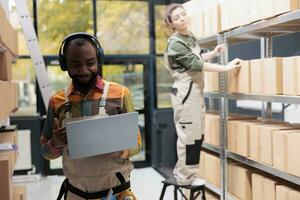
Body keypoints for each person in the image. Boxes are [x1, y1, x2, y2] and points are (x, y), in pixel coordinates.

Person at [40, 32, 141, 200]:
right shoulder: (56, 102)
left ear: (98, 59)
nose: (84, 70)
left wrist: (118, 150)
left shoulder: (121, 94)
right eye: (75, 64)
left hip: (116, 193)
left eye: (90, 63)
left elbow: (137, 145)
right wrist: (55, 144)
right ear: (65, 64)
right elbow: (46, 153)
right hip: (76, 194)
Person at [164, 4, 241, 186]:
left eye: (184, 14)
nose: (182, 18)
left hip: (195, 91)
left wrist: (213, 53)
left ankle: (188, 174)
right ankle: (184, 177)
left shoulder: (190, 37)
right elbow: (196, 65)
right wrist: (226, 68)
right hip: (185, 92)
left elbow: (197, 58)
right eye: (177, 17)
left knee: (196, 134)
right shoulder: (175, 42)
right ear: (171, 24)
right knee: (188, 135)